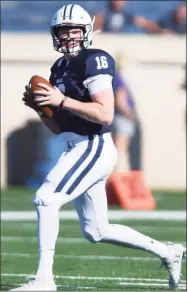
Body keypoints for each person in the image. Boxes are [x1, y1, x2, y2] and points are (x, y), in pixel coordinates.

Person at [11, 4, 185, 291]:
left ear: (87, 32)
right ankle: (168, 251)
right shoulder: (58, 69)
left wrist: (61, 101)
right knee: (96, 230)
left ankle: (44, 280)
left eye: (74, 31)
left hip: (92, 146)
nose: (68, 37)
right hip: (75, 145)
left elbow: (106, 114)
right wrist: (41, 110)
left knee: (46, 199)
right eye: (63, 32)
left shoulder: (95, 59)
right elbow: (59, 127)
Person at [112, 53, 136, 172]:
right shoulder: (118, 79)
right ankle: (118, 175)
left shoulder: (115, 78)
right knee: (120, 148)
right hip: (122, 119)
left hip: (119, 118)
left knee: (119, 148)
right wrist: (129, 114)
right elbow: (120, 101)